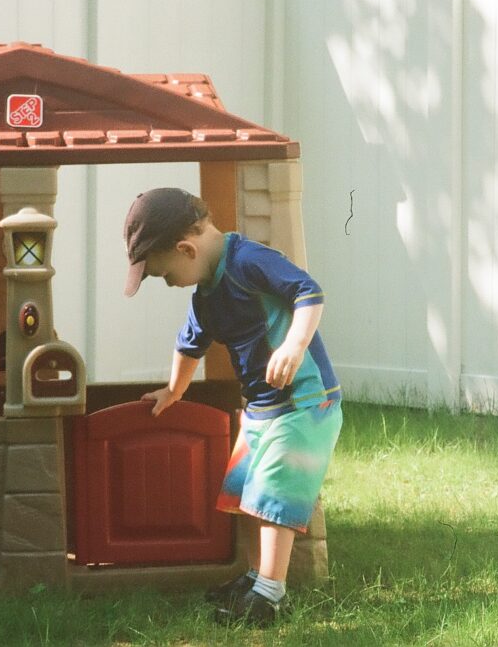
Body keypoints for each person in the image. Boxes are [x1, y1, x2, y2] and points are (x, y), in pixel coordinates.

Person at [123, 187, 343, 627]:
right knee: (248, 495)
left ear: (186, 249)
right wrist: (174, 391)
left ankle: (270, 595)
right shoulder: (205, 296)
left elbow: (308, 292)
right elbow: (189, 345)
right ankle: (255, 576)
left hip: (303, 404)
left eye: (165, 274)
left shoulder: (247, 262)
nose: (168, 283)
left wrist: (295, 346)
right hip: (262, 409)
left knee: (274, 495)